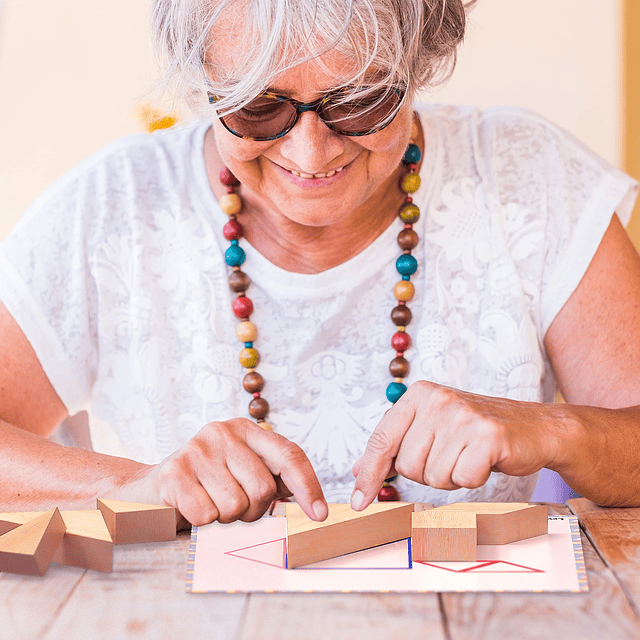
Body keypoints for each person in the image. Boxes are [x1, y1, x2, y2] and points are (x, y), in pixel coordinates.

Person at [1, 0, 639, 530]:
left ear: (418, 68)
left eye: (361, 102)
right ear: (202, 83)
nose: (310, 153)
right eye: (258, 106)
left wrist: (556, 431)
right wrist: (142, 483)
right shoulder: (111, 207)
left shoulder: (531, 179)